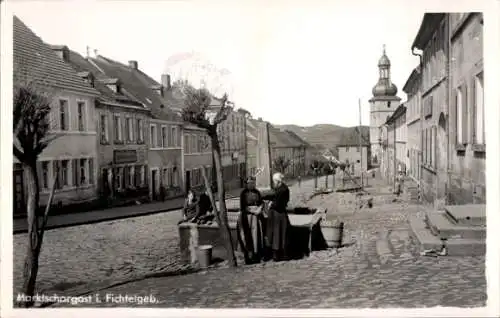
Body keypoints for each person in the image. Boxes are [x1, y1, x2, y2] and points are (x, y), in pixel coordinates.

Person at [237, 176, 265, 264]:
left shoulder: (257, 192)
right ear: (247, 184)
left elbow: (261, 202)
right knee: (246, 236)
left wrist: (260, 208)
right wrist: (252, 210)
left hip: (256, 217)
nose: (252, 185)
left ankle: (256, 255)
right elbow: (243, 206)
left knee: (256, 236)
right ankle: (248, 255)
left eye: (253, 183)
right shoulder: (243, 193)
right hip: (247, 217)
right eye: (250, 183)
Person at [266, 172, 290, 262]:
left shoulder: (283, 190)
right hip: (278, 214)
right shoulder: (281, 188)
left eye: (274, 181)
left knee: (278, 234)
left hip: (279, 214)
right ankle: (279, 254)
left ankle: (278, 254)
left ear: (277, 181)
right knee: (278, 234)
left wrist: (271, 205)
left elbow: (279, 203)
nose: (273, 183)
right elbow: (273, 196)